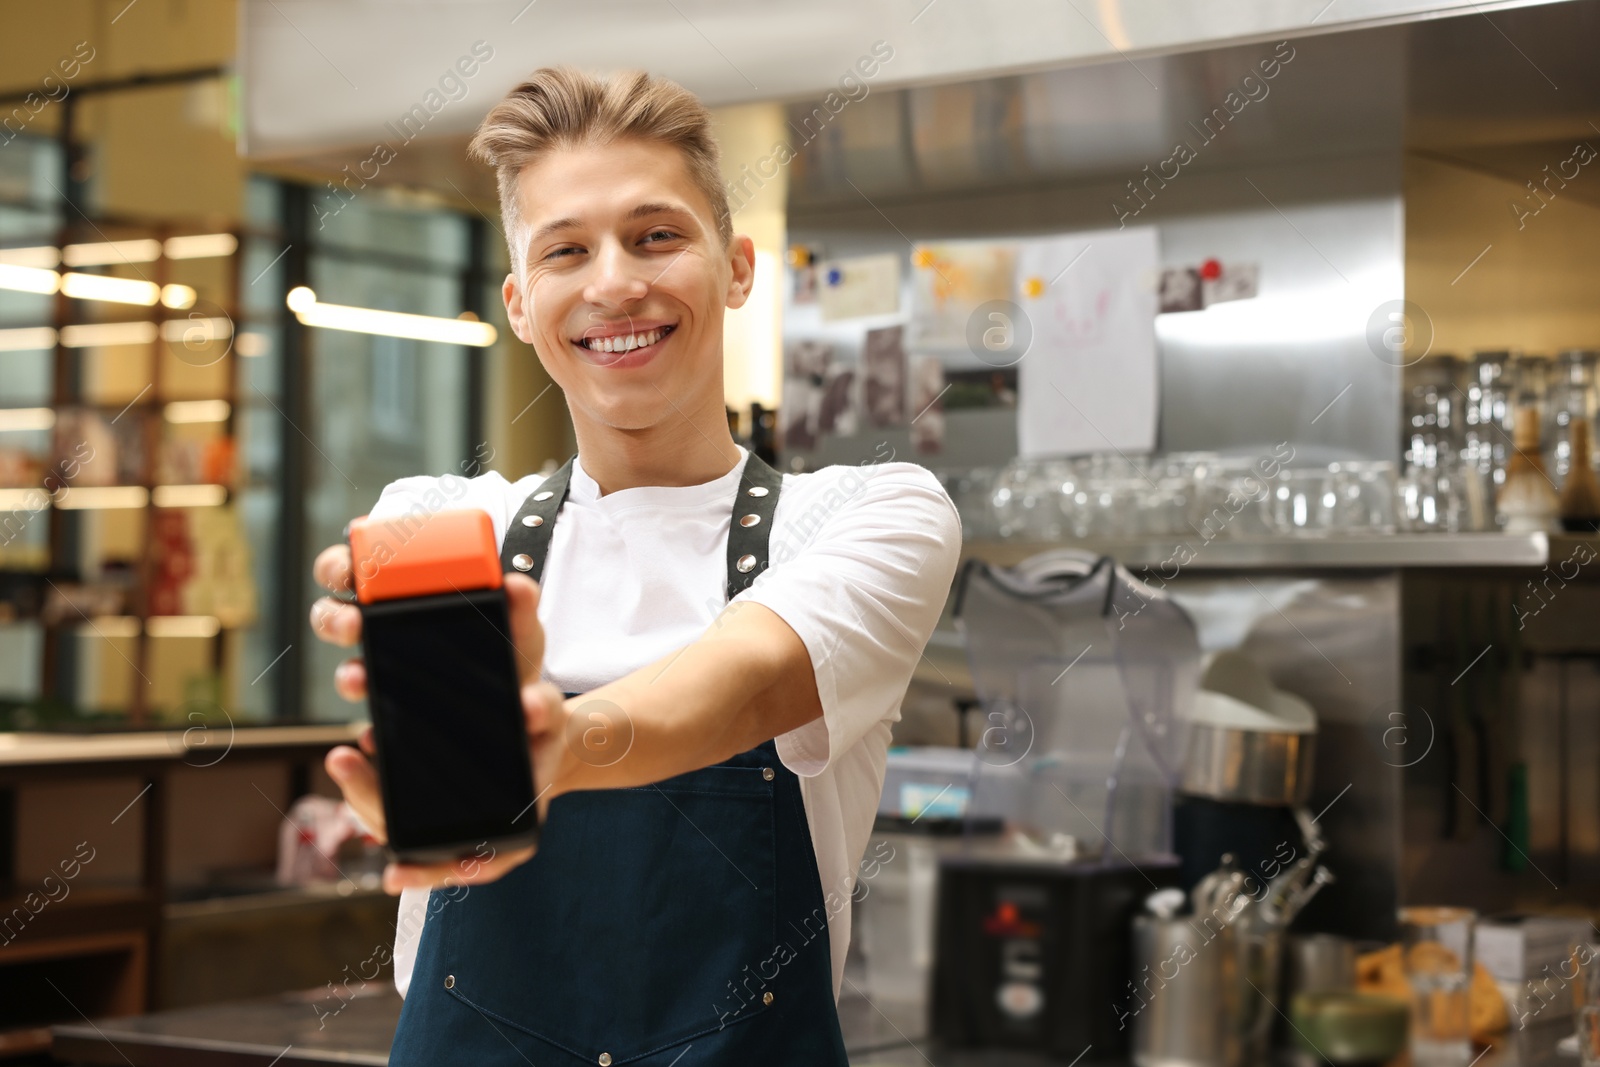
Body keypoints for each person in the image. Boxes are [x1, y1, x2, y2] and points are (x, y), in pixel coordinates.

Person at [309, 66, 961, 1065]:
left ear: (737, 266)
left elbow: (742, 680)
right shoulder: (438, 523)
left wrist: (555, 746)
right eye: (566, 249)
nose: (613, 281)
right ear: (522, 304)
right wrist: (447, 763)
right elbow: (445, 810)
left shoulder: (867, 514)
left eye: (656, 235)